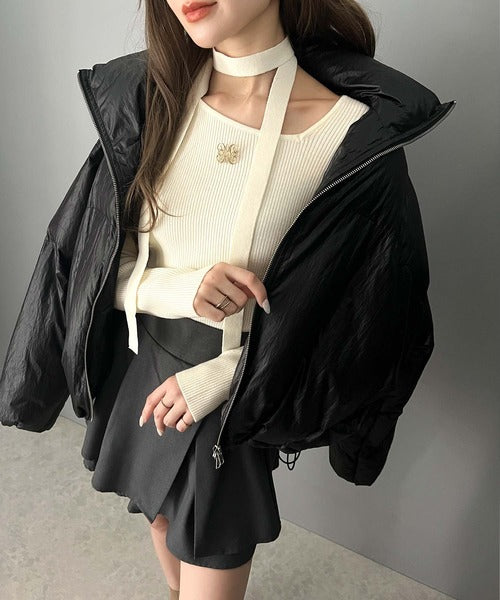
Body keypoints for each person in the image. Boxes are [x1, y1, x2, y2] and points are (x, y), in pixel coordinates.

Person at [0, 0, 456, 599]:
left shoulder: (350, 138)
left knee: (207, 552)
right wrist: (182, 289)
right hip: (142, 365)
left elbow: (359, 318)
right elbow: (95, 264)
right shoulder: (149, 98)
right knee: (159, 520)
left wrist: (227, 379)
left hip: (226, 397)